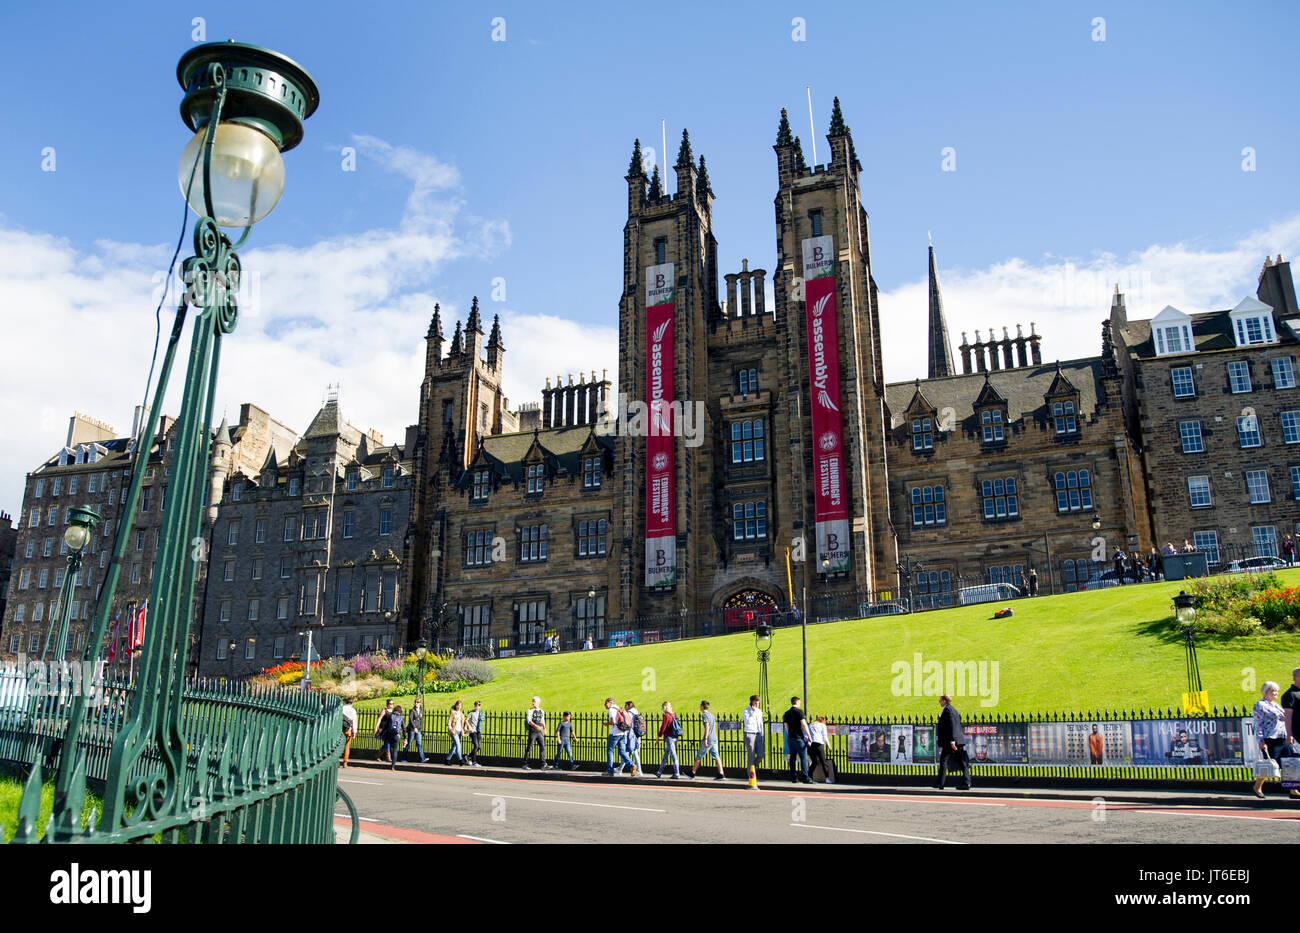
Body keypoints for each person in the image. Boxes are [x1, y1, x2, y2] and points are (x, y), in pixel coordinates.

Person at [1252, 682, 1289, 798]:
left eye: (1276, 690)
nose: (1275, 693)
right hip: (1270, 738)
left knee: (1289, 763)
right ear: (1265, 692)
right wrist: (1261, 741)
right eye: (1272, 691)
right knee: (1270, 764)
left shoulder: (1276, 705)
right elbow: (1258, 724)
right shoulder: (1260, 705)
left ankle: (1293, 789)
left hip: (1282, 737)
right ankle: (1257, 786)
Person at [934, 694, 970, 790]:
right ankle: (966, 783)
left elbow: (952, 725)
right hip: (958, 740)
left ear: (944, 701)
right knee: (962, 762)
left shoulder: (947, 710)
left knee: (944, 761)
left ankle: (940, 783)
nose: (939, 702)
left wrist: (952, 741)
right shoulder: (954, 710)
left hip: (951, 742)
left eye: (940, 700)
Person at [689, 700, 725, 780]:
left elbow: (707, 727)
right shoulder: (711, 715)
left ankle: (692, 773)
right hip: (714, 738)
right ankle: (721, 773)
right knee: (717, 756)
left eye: (700, 706)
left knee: (699, 756)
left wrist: (705, 739)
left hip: (708, 739)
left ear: (702, 707)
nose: (699, 707)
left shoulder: (704, 715)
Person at [782, 696, 813, 784]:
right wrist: (809, 736)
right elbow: (804, 724)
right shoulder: (799, 712)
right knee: (803, 757)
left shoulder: (786, 713)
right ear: (797, 702)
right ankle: (805, 777)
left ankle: (793, 777)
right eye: (799, 702)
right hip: (799, 738)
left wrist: (789, 734)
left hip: (790, 738)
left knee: (792, 758)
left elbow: (786, 726)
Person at [1279, 668, 1300, 799]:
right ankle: (1293, 789)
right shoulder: (1290, 695)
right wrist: (1289, 734)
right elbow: (1288, 716)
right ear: (1295, 677)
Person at [604, 697, 636, 776]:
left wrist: (606, 724)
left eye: (605, 703)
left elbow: (613, 721)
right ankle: (632, 765)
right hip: (623, 733)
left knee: (610, 750)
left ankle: (610, 771)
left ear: (610, 702)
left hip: (615, 734)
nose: (605, 705)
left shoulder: (611, 709)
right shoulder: (619, 708)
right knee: (622, 752)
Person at [521, 696, 551, 769]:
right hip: (533, 731)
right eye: (532, 701)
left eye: (534, 701)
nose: (533, 702)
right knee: (529, 747)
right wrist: (536, 726)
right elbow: (529, 721)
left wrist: (545, 729)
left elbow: (542, 720)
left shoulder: (542, 711)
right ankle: (525, 764)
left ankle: (543, 764)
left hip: (539, 731)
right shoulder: (530, 710)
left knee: (542, 746)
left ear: (538, 702)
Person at [655, 700, 682, 778]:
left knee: (673, 755)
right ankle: (659, 772)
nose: (662, 709)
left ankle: (677, 773)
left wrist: (658, 737)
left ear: (665, 707)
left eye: (663, 707)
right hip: (675, 737)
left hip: (669, 738)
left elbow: (663, 728)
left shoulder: (666, 716)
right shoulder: (674, 715)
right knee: (665, 755)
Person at [741, 694, 765, 777]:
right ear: (752, 702)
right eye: (756, 702)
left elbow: (760, 723)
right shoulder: (746, 711)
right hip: (749, 733)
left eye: (758, 702)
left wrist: (762, 734)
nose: (757, 703)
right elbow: (748, 722)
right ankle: (750, 775)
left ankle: (752, 768)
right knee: (751, 755)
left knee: (761, 754)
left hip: (758, 734)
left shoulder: (759, 711)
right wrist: (753, 712)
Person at [809, 715, 832, 783]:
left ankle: (809, 776)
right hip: (819, 744)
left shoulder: (811, 725)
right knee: (823, 762)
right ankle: (827, 778)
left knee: (814, 762)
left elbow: (807, 735)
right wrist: (829, 746)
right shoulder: (822, 725)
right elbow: (825, 737)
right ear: (823, 721)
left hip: (811, 745)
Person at [403, 697, 427, 763]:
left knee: (419, 744)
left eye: (418, 702)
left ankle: (422, 758)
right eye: (416, 702)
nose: (416, 703)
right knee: (409, 743)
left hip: (418, 730)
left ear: (420, 703)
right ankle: (404, 758)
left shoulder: (421, 711)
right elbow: (410, 720)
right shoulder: (412, 711)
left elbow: (419, 720)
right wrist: (414, 728)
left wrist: (418, 728)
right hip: (412, 729)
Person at [624, 700, 644, 775]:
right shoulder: (636, 712)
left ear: (629, 706)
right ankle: (620, 768)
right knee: (628, 752)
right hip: (637, 735)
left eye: (625, 705)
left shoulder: (629, 713)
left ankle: (639, 770)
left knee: (631, 752)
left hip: (631, 735)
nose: (624, 707)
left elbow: (628, 724)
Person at [374, 699, 395, 763]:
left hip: (390, 729)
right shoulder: (384, 710)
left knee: (387, 743)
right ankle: (388, 757)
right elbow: (379, 718)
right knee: (387, 742)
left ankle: (377, 755)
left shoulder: (393, 712)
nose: (391, 705)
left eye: (392, 703)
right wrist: (376, 727)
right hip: (383, 729)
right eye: (390, 703)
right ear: (387, 704)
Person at [465, 700, 485, 768]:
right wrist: (469, 727)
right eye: (476, 705)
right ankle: (474, 762)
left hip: (478, 731)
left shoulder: (481, 713)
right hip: (472, 731)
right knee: (476, 746)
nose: (477, 706)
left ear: (480, 706)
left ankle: (468, 756)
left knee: (479, 747)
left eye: (478, 705)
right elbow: (466, 720)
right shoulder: (471, 712)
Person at [384, 705, 404, 771]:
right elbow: (404, 728)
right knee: (395, 750)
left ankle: (391, 759)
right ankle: (393, 765)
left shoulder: (390, 716)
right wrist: (405, 737)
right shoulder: (401, 717)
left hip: (390, 734)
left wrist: (381, 733)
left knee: (391, 749)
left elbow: (386, 726)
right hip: (397, 735)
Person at [446, 699, 465, 765]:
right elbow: (449, 721)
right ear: (456, 705)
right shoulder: (453, 712)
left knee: (454, 747)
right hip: (454, 731)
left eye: (460, 705)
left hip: (459, 731)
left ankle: (447, 759)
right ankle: (460, 760)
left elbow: (462, 724)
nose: (459, 706)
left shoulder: (462, 714)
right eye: (458, 705)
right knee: (458, 745)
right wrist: (450, 728)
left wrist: (464, 730)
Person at [340, 698, 357, 768]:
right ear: (352, 703)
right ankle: (345, 762)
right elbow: (354, 721)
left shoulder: (342, 708)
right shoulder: (352, 710)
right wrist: (354, 732)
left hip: (340, 728)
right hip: (348, 729)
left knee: (337, 745)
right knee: (347, 746)